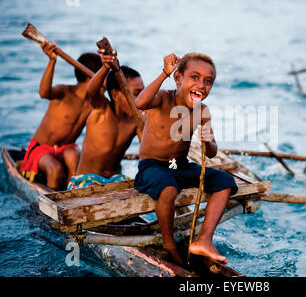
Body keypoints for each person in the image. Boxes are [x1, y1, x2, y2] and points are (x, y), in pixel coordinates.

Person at [133, 52, 238, 265]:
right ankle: (168, 242)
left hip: (180, 166)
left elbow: (211, 152)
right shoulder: (163, 98)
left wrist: (208, 141)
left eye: (208, 82)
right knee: (168, 188)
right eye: (195, 77)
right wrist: (165, 72)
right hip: (152, 166)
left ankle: (204, 240)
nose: (201, 85)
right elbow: (140, 102)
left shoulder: (202, 111)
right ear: (179, 78)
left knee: (226, 182)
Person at [20, 41, 102, 190]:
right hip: (41, 149)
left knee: (75, 157)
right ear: (91, 79)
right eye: (102, 77)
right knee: (55, 169)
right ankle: (49, 209)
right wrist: (52, 61)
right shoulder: (64, 92)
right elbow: (44, 93)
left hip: (67, 148)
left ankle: (72, 196)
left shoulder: (95, 102)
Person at [67, 50, 144, 190]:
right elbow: (92, 91)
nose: (142, 99)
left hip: (116, 180)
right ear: (116, 95)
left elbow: (146, 150)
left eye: (143, 93)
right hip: (86, 180)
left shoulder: (136, 121)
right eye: (137, 93)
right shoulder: (102, 109)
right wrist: (105, 67)